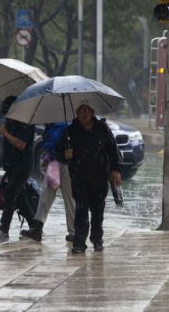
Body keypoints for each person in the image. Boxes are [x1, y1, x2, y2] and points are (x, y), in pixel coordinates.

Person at [60, 104, 122, 254]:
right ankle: (79, 243)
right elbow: (59, 152)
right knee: (81, 210)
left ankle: (97, 239)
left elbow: (113, 151)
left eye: (87, 109)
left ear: (93, 112)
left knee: (97, 211)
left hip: (100, 177)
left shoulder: (103, 129)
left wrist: (116, 170)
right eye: (81, 109)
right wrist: (64, 154)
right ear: (77, 113)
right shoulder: (70, 131)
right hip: (79, 178)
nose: (84, 112)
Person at [0, 96, 36, 245]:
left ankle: (4, 231)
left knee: (10, 196)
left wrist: (5, 133)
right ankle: (35, 227)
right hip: (11, 166)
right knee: (20, 198)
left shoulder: (27, 123)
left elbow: (21, 145)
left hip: (22, 166)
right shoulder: (10, 122)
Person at [20, 122, 75, 242]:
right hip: (55, 163)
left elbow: (53, 144)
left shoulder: (58, 124)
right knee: (47, 195)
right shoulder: (52, 125)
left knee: (67, 197)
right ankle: (38, 228)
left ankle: (73, 231)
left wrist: (51, 153)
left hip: (63, 165)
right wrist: (48, 157)